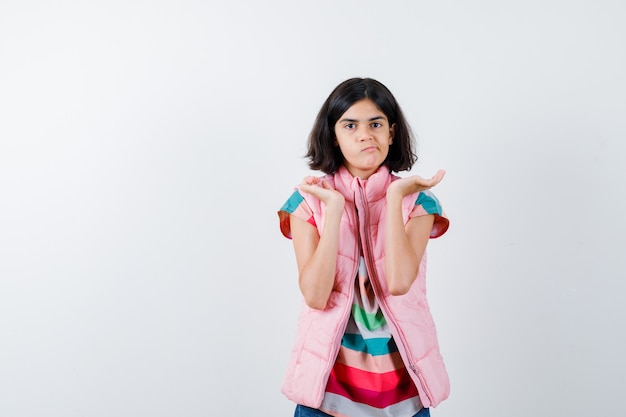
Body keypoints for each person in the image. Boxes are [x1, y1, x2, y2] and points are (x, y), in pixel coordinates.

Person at [278, 78, 450, 417]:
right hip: (326, 397)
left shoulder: (418, 201)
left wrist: (395, 195)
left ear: (391, 133)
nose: (364, 135)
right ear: (334, 135)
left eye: (376, 124)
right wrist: (336, 209)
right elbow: (315, 295)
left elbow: (399, 282)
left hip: (403, 396)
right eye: (350, 125)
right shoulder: (307, 202)